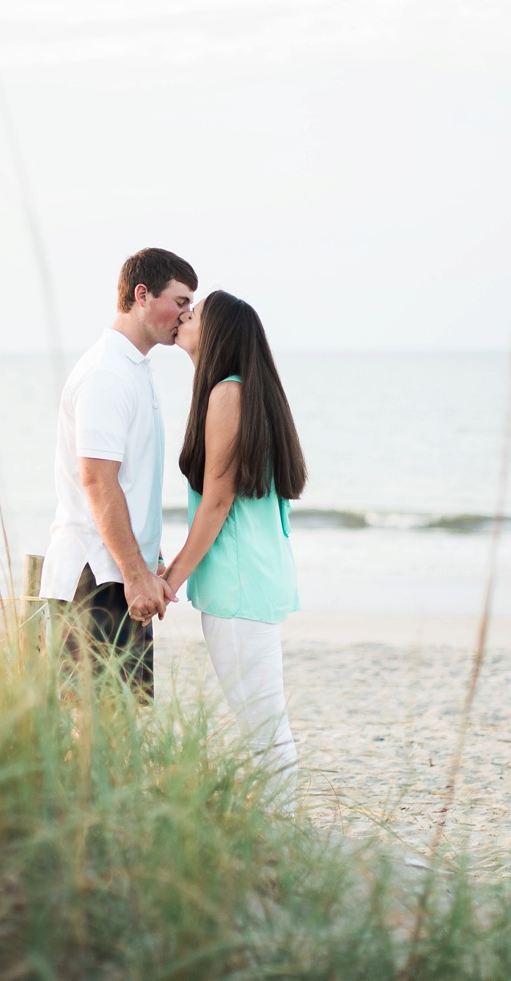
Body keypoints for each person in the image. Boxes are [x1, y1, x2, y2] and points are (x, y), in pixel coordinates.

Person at [164, 290, 304, 801]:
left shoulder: (228, 393)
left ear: (216, 332)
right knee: (263, 723)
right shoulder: (245, 392)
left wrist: (169, 580)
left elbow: (217, 503)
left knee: (264, 729)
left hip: (241, 586)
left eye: (194, 313)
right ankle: (278, 832)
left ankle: (281, 840)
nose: (184, 315)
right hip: (255, 581)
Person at [39, 248, 197, 699]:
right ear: (141, 295)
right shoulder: (106, 372)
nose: (186, 315)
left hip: (122, 573)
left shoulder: (136, 368)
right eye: (181, 301)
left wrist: (151, 556)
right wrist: (134, 574)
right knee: (96, 727)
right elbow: (97, 480)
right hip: (97, 577)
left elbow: (131, 481)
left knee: (124, 723)